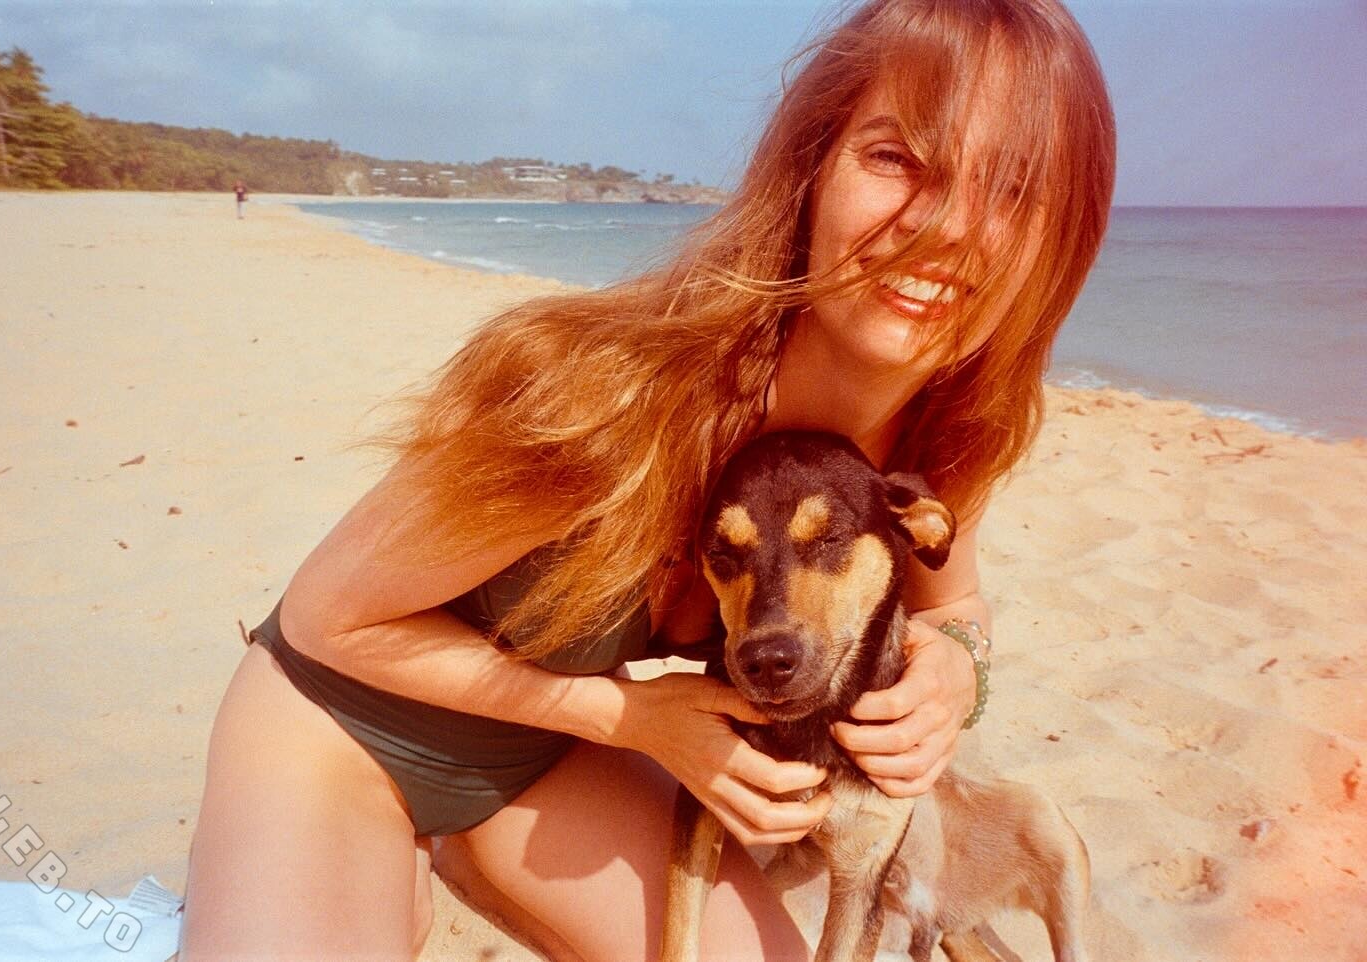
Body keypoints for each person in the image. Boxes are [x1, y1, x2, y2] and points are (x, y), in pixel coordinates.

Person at [180, 0, 1114, 958]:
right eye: (895, 158)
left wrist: (957, 673)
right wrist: (625, 715)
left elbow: (953, 603)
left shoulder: (944, 430)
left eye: (1011, 189)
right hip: (344, 720)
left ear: (1062, 239)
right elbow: (330, 621)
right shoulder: (604, 396)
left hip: (546, 762)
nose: (942, 226)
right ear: (812, 167)